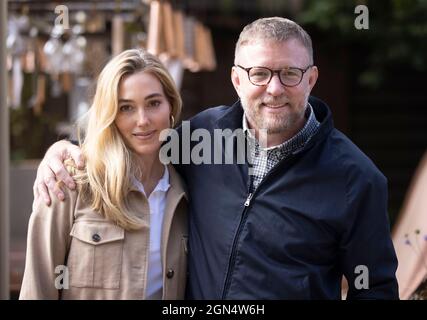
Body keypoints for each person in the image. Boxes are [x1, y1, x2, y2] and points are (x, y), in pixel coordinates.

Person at [33, 17, 398, 299]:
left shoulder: (355, 178)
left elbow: (376, 289)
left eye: (290, 73)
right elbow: (130, 132)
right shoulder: (201, 137)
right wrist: (64, 148)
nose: (274, 88)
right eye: (259, 73)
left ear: (311, 79)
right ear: (237, 80)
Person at [20, 49, 188, 299]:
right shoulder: (70, 182)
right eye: (126, 108)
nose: (142, 120)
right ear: (109, 114)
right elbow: (38, 288)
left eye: (153, 103)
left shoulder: (187, 194)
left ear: (171, 106)